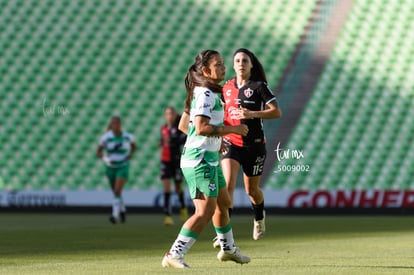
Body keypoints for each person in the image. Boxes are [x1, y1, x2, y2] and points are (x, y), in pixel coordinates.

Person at [162, 50, 251, 268]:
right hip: (199, 161)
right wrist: (233, 129)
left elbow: (185, 127)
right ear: (205, 71)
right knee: (205, 211)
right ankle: (174, 254)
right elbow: (200, 128)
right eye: (218, 65)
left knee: (224, 203)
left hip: (208, 157)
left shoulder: (206, 92)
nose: (223, 67)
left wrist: (214, 142)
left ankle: (228, 249)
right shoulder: (205, 95)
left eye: (222, 63)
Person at [220, 48, 282, 241]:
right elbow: (221, 112)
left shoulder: (259, 86)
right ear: (233, 64)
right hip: (232, 143)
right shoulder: (226, 87)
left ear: (251, 65)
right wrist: (220, 134)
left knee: (251, 191)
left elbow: (276, 112)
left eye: (245, 60)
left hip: (254, 145)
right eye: (237, 60)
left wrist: (252, 114)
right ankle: (225, 234)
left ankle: (259, 218)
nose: (241, 64)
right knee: (228, 184)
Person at [97, 116, 136, 224]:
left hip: (123, 165)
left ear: (120, 125)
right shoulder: (106, 138)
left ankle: (114, 215)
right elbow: (98, 151)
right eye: (113, 124)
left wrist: (130, 154)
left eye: (117, 124)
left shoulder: (127, 136)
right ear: (111, 125)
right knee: (115, 191)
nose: (116, 126)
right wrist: (104, 158)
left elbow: (133, 146)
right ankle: (122, 210)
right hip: (110, 167)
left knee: (117, 190)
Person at [159, 106, 188, 226]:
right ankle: (167, 216)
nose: (169, 116)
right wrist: (162, 142)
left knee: (178, 188)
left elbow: (184, 140)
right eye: (167, 114)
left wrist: (173, 140)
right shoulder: (164, 128)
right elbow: (163, 141)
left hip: (176, 161)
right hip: (165, 161)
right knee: (166, 189)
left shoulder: (180, 128)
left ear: (175, 115)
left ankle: (183, 209)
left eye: (171, 113)